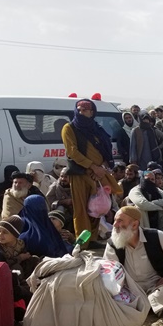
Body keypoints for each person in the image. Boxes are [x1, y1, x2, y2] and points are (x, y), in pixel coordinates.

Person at [104, 206, 163, 315]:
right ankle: (149, 307)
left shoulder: (155, 236)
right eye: (115, 220)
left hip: (156, 287)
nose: (114, 225)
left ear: (134, 224)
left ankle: (140, 308)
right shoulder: (113, 244)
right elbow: (108, 271)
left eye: (120, 221)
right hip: (130, 291)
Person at [62, 99, 121, 248]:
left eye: (85, 110)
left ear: (92, 112)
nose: (82, 113)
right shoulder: (69, 128)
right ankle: (82, 243)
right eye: (79, 110)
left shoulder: (96, 128)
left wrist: (102, 167)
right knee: (82, 209)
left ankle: (93, 239)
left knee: (95, 208)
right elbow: (72, 152)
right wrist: (93, 167)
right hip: (81, 173)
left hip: (99, 173)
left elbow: (105, 149)